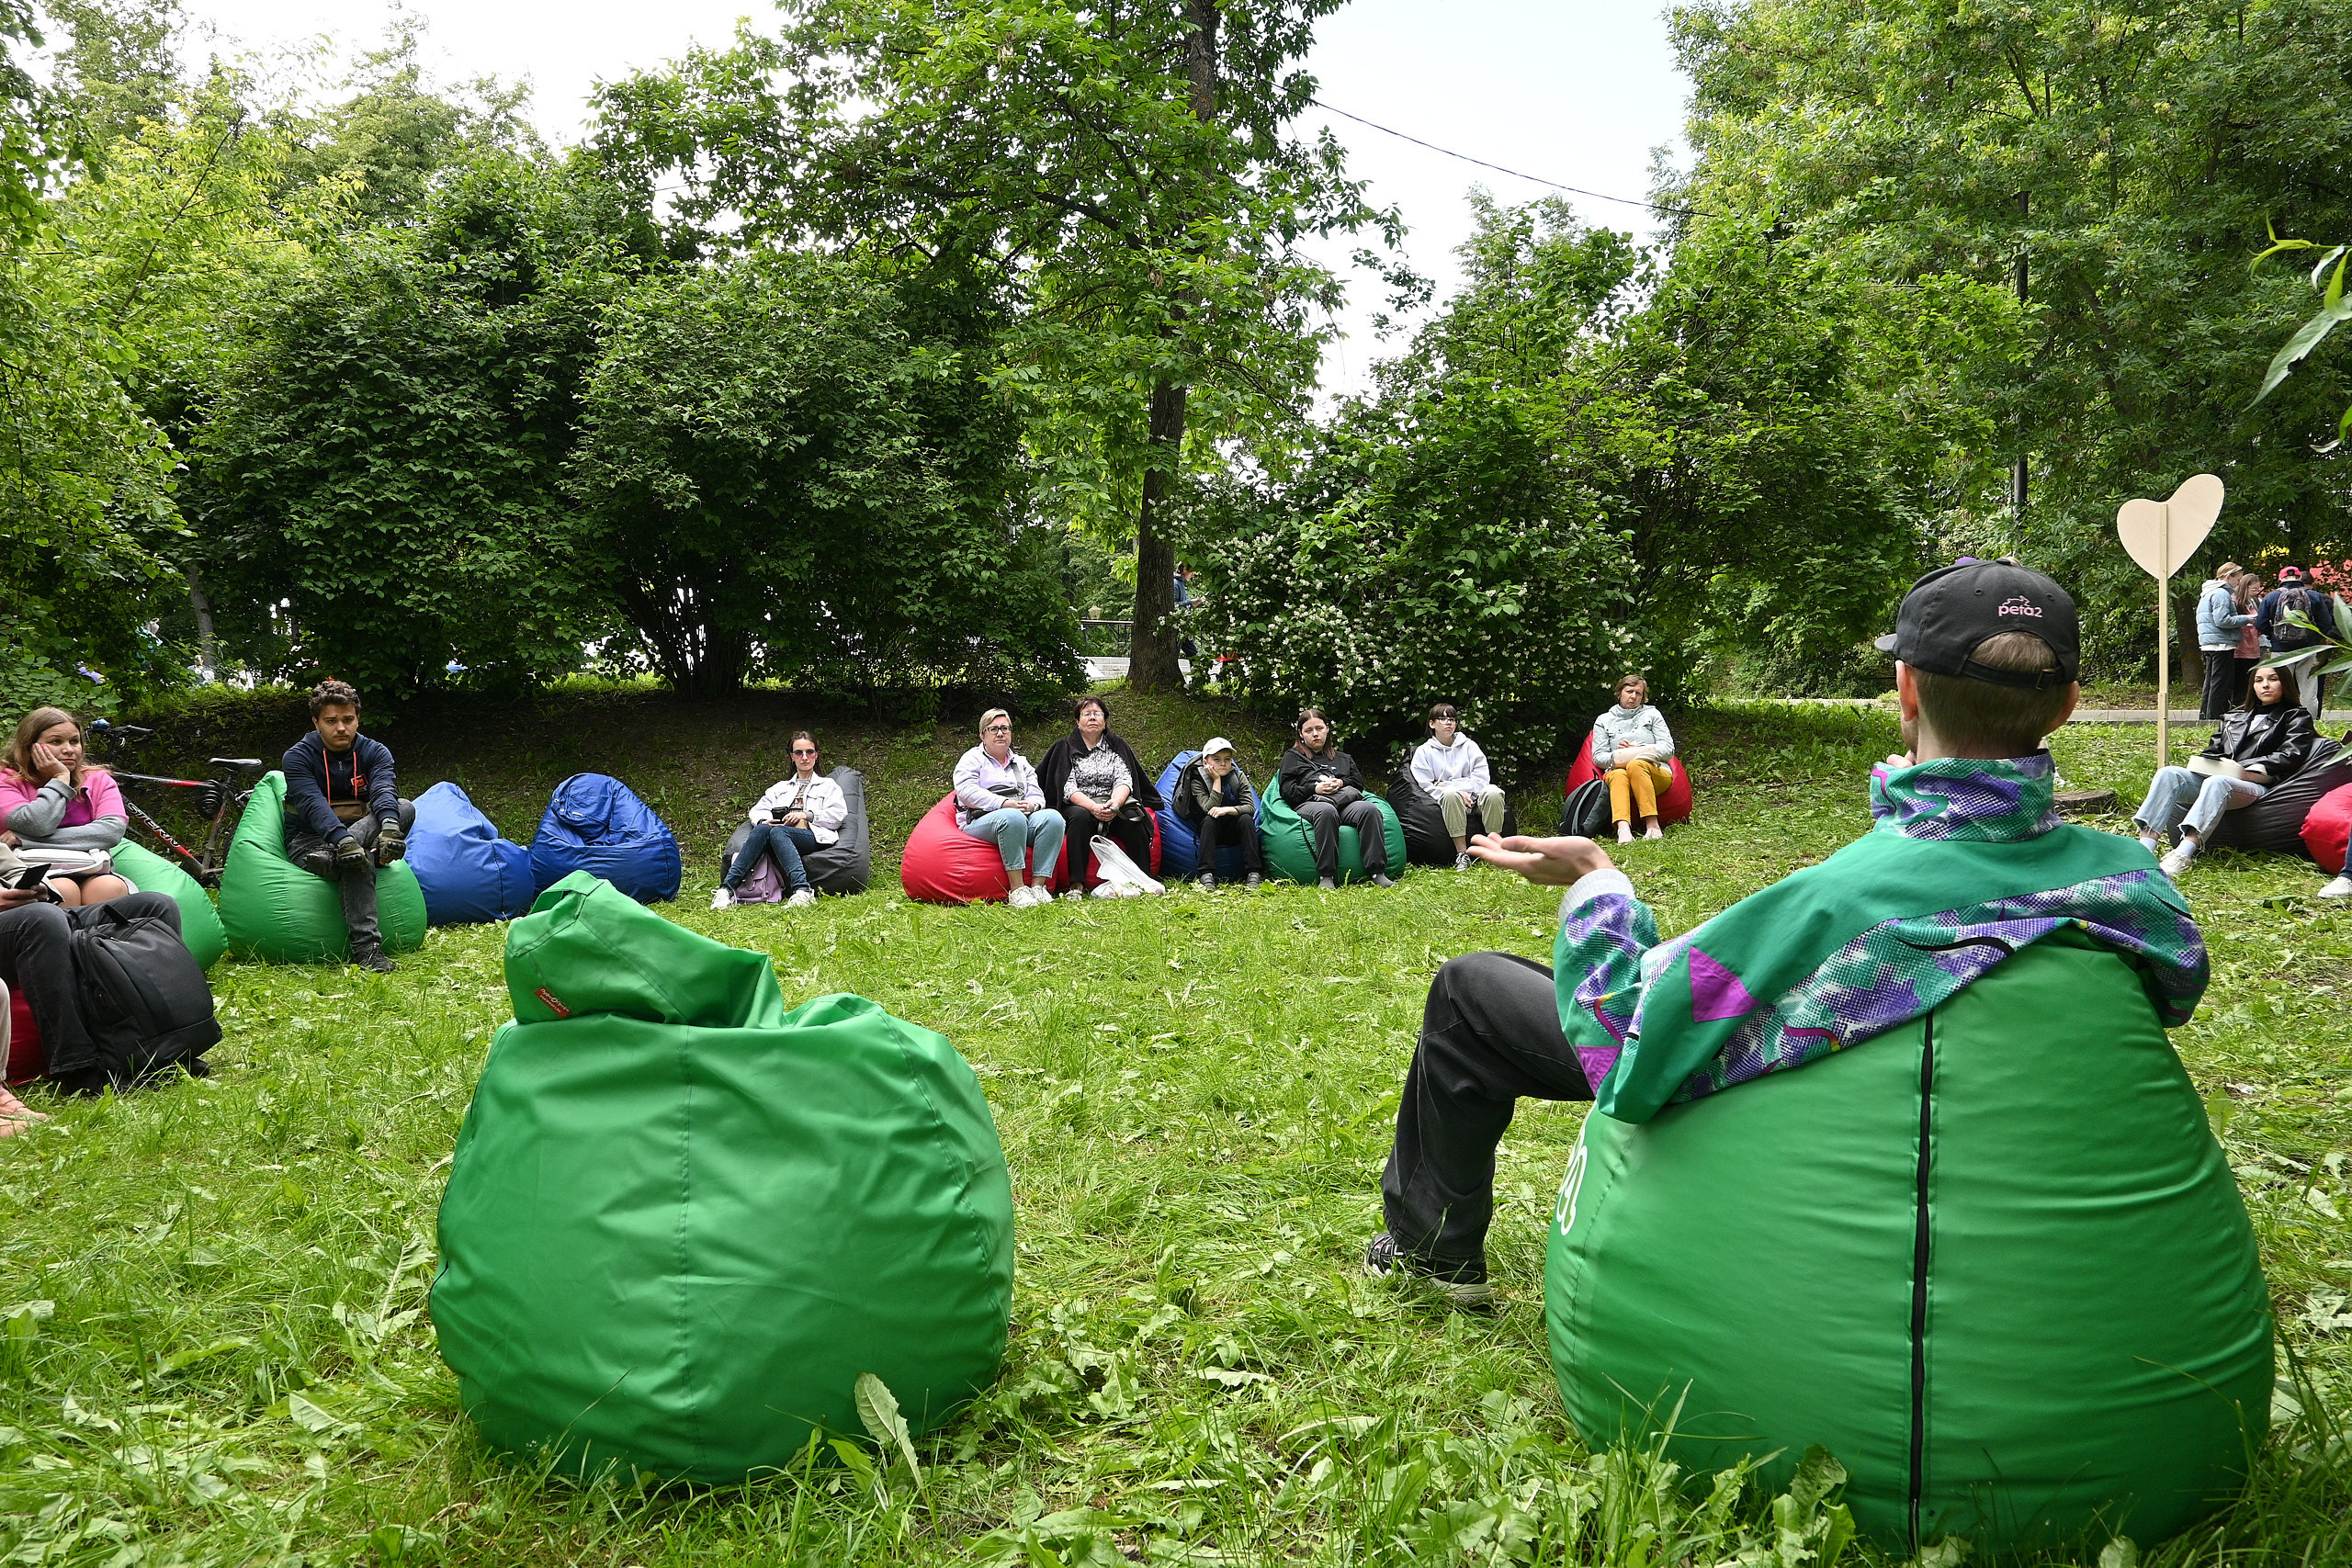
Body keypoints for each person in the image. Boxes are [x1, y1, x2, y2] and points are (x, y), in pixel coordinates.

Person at [1364, 558, 2204, 1307]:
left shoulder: (1832, 906)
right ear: (2065, 706)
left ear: (1905, 690)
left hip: (1781, 1134)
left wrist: (1598, 882)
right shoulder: (2135, 886)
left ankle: (1428, 1253)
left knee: (1472, 990)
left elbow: (1628, 1041)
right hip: (2036, 1232)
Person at [0, 839, 189, 1100]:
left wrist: (39, 889)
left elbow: (13, 870)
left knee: (154, 906)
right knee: (43, 920)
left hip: (23, 913)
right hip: (23, 923)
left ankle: (172, 1047)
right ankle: (78, 1068)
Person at [2132, 663, 2315, 879]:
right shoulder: (2233, 717)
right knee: (2168, 773)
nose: (2265, 685)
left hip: (2259, 785)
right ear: (2252, 687)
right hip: (2222, 777)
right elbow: (2212, 750)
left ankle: (2184, 853)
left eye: (2273, 679)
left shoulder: (2296, 716)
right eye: (2259, 680)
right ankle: (2144, 850)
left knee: (2217, 782)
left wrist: (2246, 769)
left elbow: (2290, 755)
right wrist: (2209, 762)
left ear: (2285, 682)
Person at [282, 680, 413, 974]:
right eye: (331, 721)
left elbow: (383, 791)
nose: (341, 728)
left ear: (358, 718)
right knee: (359, 859)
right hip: (310, 842)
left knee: (404, 807)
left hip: (362, 834)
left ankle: (340, 854)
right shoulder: (297, 757)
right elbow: (313, 805)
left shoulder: (376, 752)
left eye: (348, 719)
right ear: (316, 722)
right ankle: (367, 950)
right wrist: (342, 842)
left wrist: (390, 828)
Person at [0, 708, 132, 907]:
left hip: (90, 866)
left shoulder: (98, 779)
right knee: (63, 888)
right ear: (29, 747)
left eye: (74, 741)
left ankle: (98, 939)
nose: (69, 749)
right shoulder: (7, 780)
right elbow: (37, 824)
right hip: (27, 870)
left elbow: (111, 832)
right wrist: (60, 779)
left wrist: (25, 840)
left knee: (110, 887)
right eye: (56, 742)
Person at [1037, 696, 1164, 899]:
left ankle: (1144, 878)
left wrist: (1115, 803)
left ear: (1105, 720)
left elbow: (1124, 779)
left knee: (1134, 817)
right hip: (1080, 803)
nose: (1092, 718)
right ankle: (1076, 884)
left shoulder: (1117, 746)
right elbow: (1066, 786)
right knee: (1079, 818)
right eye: (1086, 714)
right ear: (1077, 721)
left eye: (1098, 714)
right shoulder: (1065, 747)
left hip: (1113, 801)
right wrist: (1092, 807)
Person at [712, 731, 844, 910]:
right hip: (779, 832)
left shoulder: (829, 786)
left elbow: (837, 816)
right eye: (799, 753)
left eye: (810, 752)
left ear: (817, 755)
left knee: (779, 831)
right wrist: (764, 821)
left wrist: (806, 815)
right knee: (764, 830)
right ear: (792, 756)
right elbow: (757, 810)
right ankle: (725, 890)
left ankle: (803, 890)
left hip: (812, 834)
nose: (804, 757)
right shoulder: (780, 788)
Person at [953, 709, 1065, 909]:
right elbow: (966, 791)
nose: (1000, 733)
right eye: (993, 729)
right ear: (982, 735)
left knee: (1054, 818)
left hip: (1020, 818)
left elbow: (1037, 794)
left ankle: (1038, 887)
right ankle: (1018, 889)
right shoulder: (972, 759)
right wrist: (1003, 804)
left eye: (1005, 728)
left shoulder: (1021, 763)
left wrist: (1032, 805)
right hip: (980, 820)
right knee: (1012, 817)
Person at [1276, 708, 1394, 890]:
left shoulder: (1343, 758)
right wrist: (1316, 788)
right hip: (1311, 803)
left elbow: (1357, 784)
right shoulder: (1293, 758)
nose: (1315, 734)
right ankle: (1327, 874)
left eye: (1319, 728)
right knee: (1326, 811)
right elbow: (1287, 791)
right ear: (1300, 733)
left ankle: (1377, 871)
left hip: (1344, 802)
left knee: (1369, 810)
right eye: (1308, 730)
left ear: (1327, 729)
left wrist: (1339, 782)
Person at [1409, 704, 1509, 871]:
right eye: (1443, 719)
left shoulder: (1469, 746)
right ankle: (1462, 854)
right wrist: (1455, 790)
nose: (1449, 723)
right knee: (1449, 793)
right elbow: (1425, 785)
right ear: (1432, 724)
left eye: (1452, 719)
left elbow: (1482, 777)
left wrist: (1453, 786)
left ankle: (1495, 850)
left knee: (1494, 792)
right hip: (1450, 801)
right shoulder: (1424, 752)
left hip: (1476, 798)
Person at [1589, 675, 1678, 844]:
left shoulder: (1652, 714)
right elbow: (1598, 757)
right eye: (1629, 691)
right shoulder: (1604, 720)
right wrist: (1619, 754)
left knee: (1636, 764)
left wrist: (1637, 752)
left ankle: (1652, 826)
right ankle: (1623, 829)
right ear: (1619, 693)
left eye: (1638, 693)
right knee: (1618, 774)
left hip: (1655, 772)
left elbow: (1668, 749)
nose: (1633, 696)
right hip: (1619, 773)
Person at [1174, 736, 1264, 890]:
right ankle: (1206, 873)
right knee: (1210, 819)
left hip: (1233, 827)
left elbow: (1250, 807)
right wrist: (1216, 780)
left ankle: (1254, 872)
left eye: (1227, 759)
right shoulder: (1197, 780)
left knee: (1246, 819)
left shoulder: (1238, 776)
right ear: (1205, 763)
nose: (1223, 763)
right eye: (1217, 759)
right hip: (1210, 830)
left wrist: (1228, 810)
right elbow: (1209, 808)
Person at [2256, 566, 2338, 717]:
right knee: (2309, 691)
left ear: (2281, 579)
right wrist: (2313, 636)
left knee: (2278, 687)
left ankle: (2278, 722)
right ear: (2299, 578)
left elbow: (2260, 624)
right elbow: (2326, 623)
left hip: (2280, 651)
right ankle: (2308, 725)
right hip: (2308, 649)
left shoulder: (2271, 597)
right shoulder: (2314, 596)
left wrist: (2274, 635)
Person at [2195, 563, 2253, 721]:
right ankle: (2216, 718)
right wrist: (2247, 618)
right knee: (2221, 683)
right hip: (2222, 643)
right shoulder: (2221, 594)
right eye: (2238, 579)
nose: (2239, 583)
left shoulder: (2208, 592)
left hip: (2209, 642)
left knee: (2211, 683)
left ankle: (2205, 717)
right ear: (2228, 577)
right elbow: (2222, 620)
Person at [2232, 571, 2267, 705]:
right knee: (2240, 683)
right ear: (2244, 587)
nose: (2256, 592)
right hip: (2240, 649)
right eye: (2253, 589)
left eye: (2257, 589)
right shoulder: (2235, 602)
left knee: (2251, 682)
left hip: (2254, 648)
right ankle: (2237, 708)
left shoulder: (2254, 602)